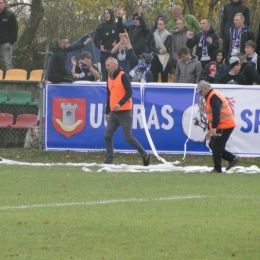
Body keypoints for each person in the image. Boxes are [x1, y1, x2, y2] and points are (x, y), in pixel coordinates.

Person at [104, 57, 150, 166]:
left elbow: (129, 92)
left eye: (108, 65)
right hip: (113, 113)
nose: (106, 67)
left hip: (124, 112)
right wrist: (107, 112)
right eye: (106, 65)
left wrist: (119, 104)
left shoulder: (123, 76)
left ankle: (145, 154)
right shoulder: (109, 78)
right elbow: (109, 96)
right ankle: (109, 159)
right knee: (107, 135)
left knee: (128, 137)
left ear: (115, 65)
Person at [196, 80, 238, 173]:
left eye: (201, 91)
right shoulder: (211, 95)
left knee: (216, 146)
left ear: (206, 88)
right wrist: (210, 129)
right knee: (213, 145)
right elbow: (211, 116)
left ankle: (217, 169)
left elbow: (216, 113)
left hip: (225, 125)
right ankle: (232, 158)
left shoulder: (213, 96)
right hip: (223, 125)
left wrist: (214, 127)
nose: (200, 93)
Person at [94, 8, 120, 81]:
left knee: (116, 74)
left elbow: (121, 36)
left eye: (108, 13)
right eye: (105, 13)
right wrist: (100, 46)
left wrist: (117, 43)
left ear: (111, 14)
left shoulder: (116, 25)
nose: (106, 15)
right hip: (104, 54)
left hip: (115, 53)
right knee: (105, 75)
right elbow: (96, 39)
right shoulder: (101, 26)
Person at [150, 17, 172, 82]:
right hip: (155, 57)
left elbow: (166, 47)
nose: (159, 26)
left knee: (164, 77)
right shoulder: (154, 34)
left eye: (161, 24)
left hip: (164, 57)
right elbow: (151, 46)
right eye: (158, 24)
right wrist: (158, 50)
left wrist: (163, 50)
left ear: (165, 25)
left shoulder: (168, 35)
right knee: (154, 77)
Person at [0, 0, 18, 71]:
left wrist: (10, 42)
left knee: (7, 63)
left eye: (0, 3)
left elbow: (15, 29)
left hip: (6, 43)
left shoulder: (10, 15)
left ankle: (10, 81)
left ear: (4, 4)